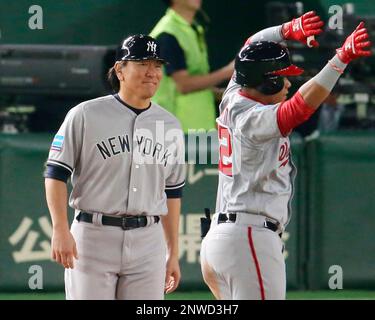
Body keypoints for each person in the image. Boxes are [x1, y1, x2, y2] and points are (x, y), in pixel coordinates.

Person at [200, 11, 371, 300]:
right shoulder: (250, 117)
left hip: (227, 238)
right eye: (281, 79)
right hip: (248, 237)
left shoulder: (235, 92)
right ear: (265, 83)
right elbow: (299, 108)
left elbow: (250, 44)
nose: (288, 84)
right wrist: (339, 60)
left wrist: (287, 29)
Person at [44, 34, 186, 300]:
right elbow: (55, 173)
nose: (152, 72)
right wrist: (60, 229)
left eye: (157, 65)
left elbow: (173, 192)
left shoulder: (170, 125)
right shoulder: (85, 114)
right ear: (120, 69)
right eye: (143, 63)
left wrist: (172, 252)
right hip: (93, 236)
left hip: (148, 242)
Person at [150, 0, 234, 132]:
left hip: (199, 129)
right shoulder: (167, 34)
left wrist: (220, 94)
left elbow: (193, 80)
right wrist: (227, 71)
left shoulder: (191, 29)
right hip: (178, 133)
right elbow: (183, 85)